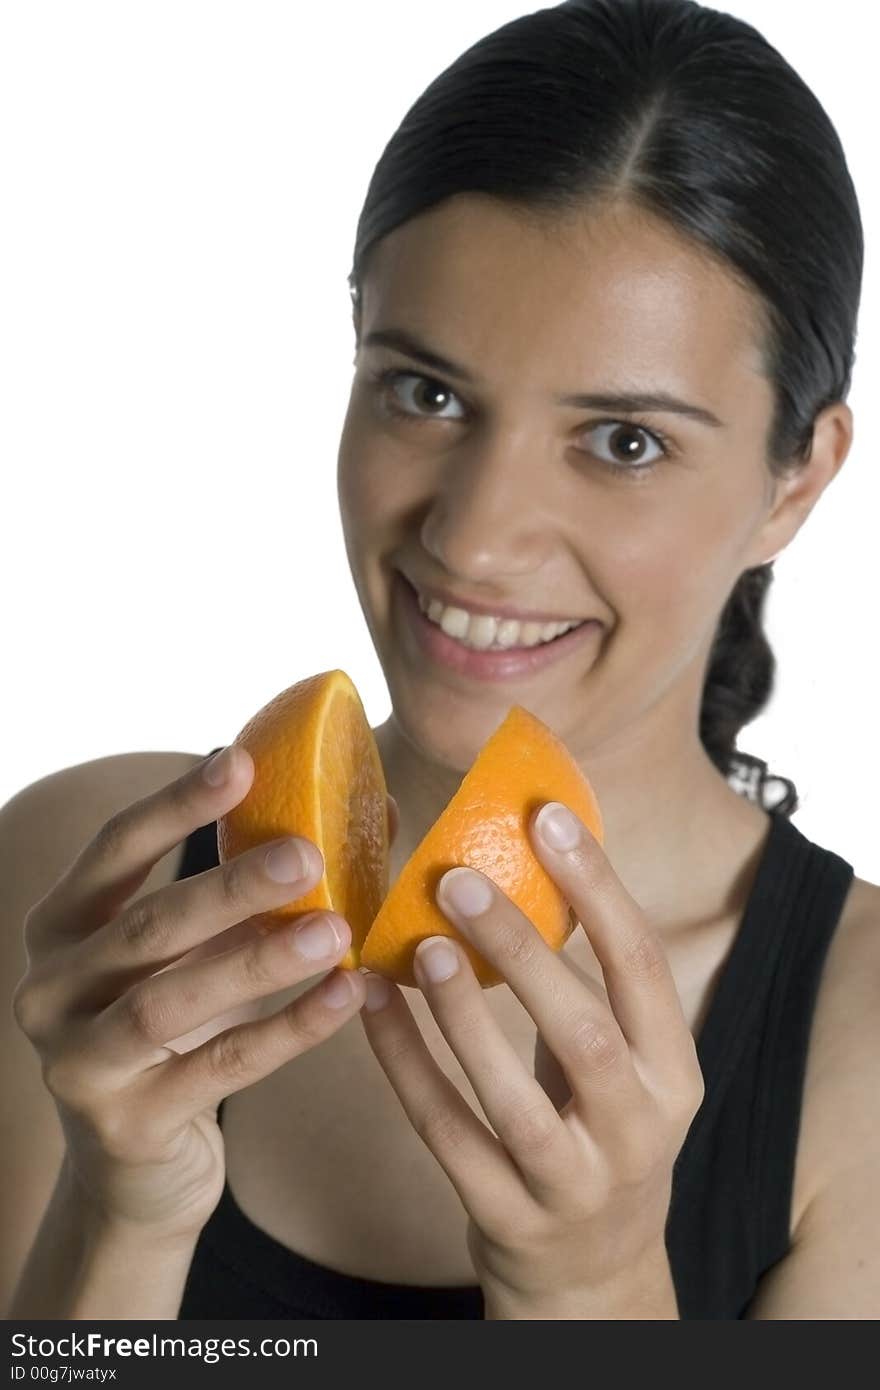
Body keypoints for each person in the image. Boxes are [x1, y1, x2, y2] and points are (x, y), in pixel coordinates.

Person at [2, 0, 876, 1320]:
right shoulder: (90, 882)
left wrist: (594, 1284)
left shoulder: (864, 1048)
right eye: (426, 391)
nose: (472, 536)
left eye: (624, 441)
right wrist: (120, 1207)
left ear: (796, 477)